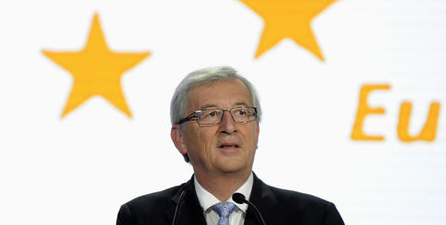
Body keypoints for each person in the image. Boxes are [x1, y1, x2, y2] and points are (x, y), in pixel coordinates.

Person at [117, 66, 344, 225]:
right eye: (211, 114)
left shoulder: (315, 217)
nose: (229, 126)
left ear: (256, 131)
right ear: (180, 139)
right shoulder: (142, 218)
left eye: (242, 113)